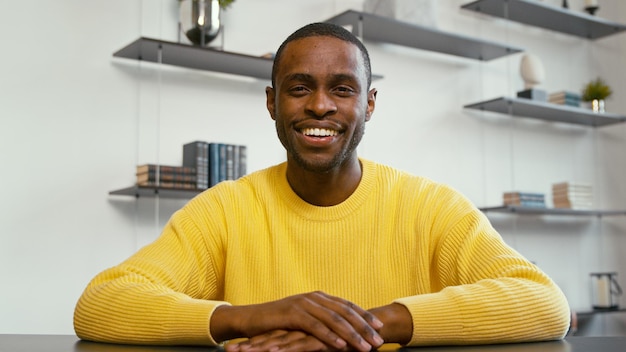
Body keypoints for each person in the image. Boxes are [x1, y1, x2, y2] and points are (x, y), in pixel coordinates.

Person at [74, 22, 571, 351]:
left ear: (369, 104)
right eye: (298, 88)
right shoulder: (224, 209)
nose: (319, 106)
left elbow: (545, 303)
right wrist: (255, 318)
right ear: (272, 103)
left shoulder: (430, 206)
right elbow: (101, 303)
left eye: (342, 89)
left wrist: (366, 327)